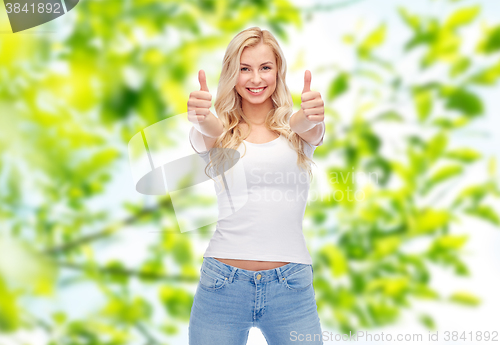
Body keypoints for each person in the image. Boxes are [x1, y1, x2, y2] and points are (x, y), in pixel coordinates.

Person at [186, 26, 325, 344]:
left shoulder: (296, 128)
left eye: (265, 68)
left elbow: (309, 126)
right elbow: (209, 129)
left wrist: (311, 114)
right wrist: (200, 116)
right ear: (232, 74)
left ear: (278, 71)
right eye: (244, 69)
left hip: (291, 287)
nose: (255, 79)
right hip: (222, 285)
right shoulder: (220, 131)